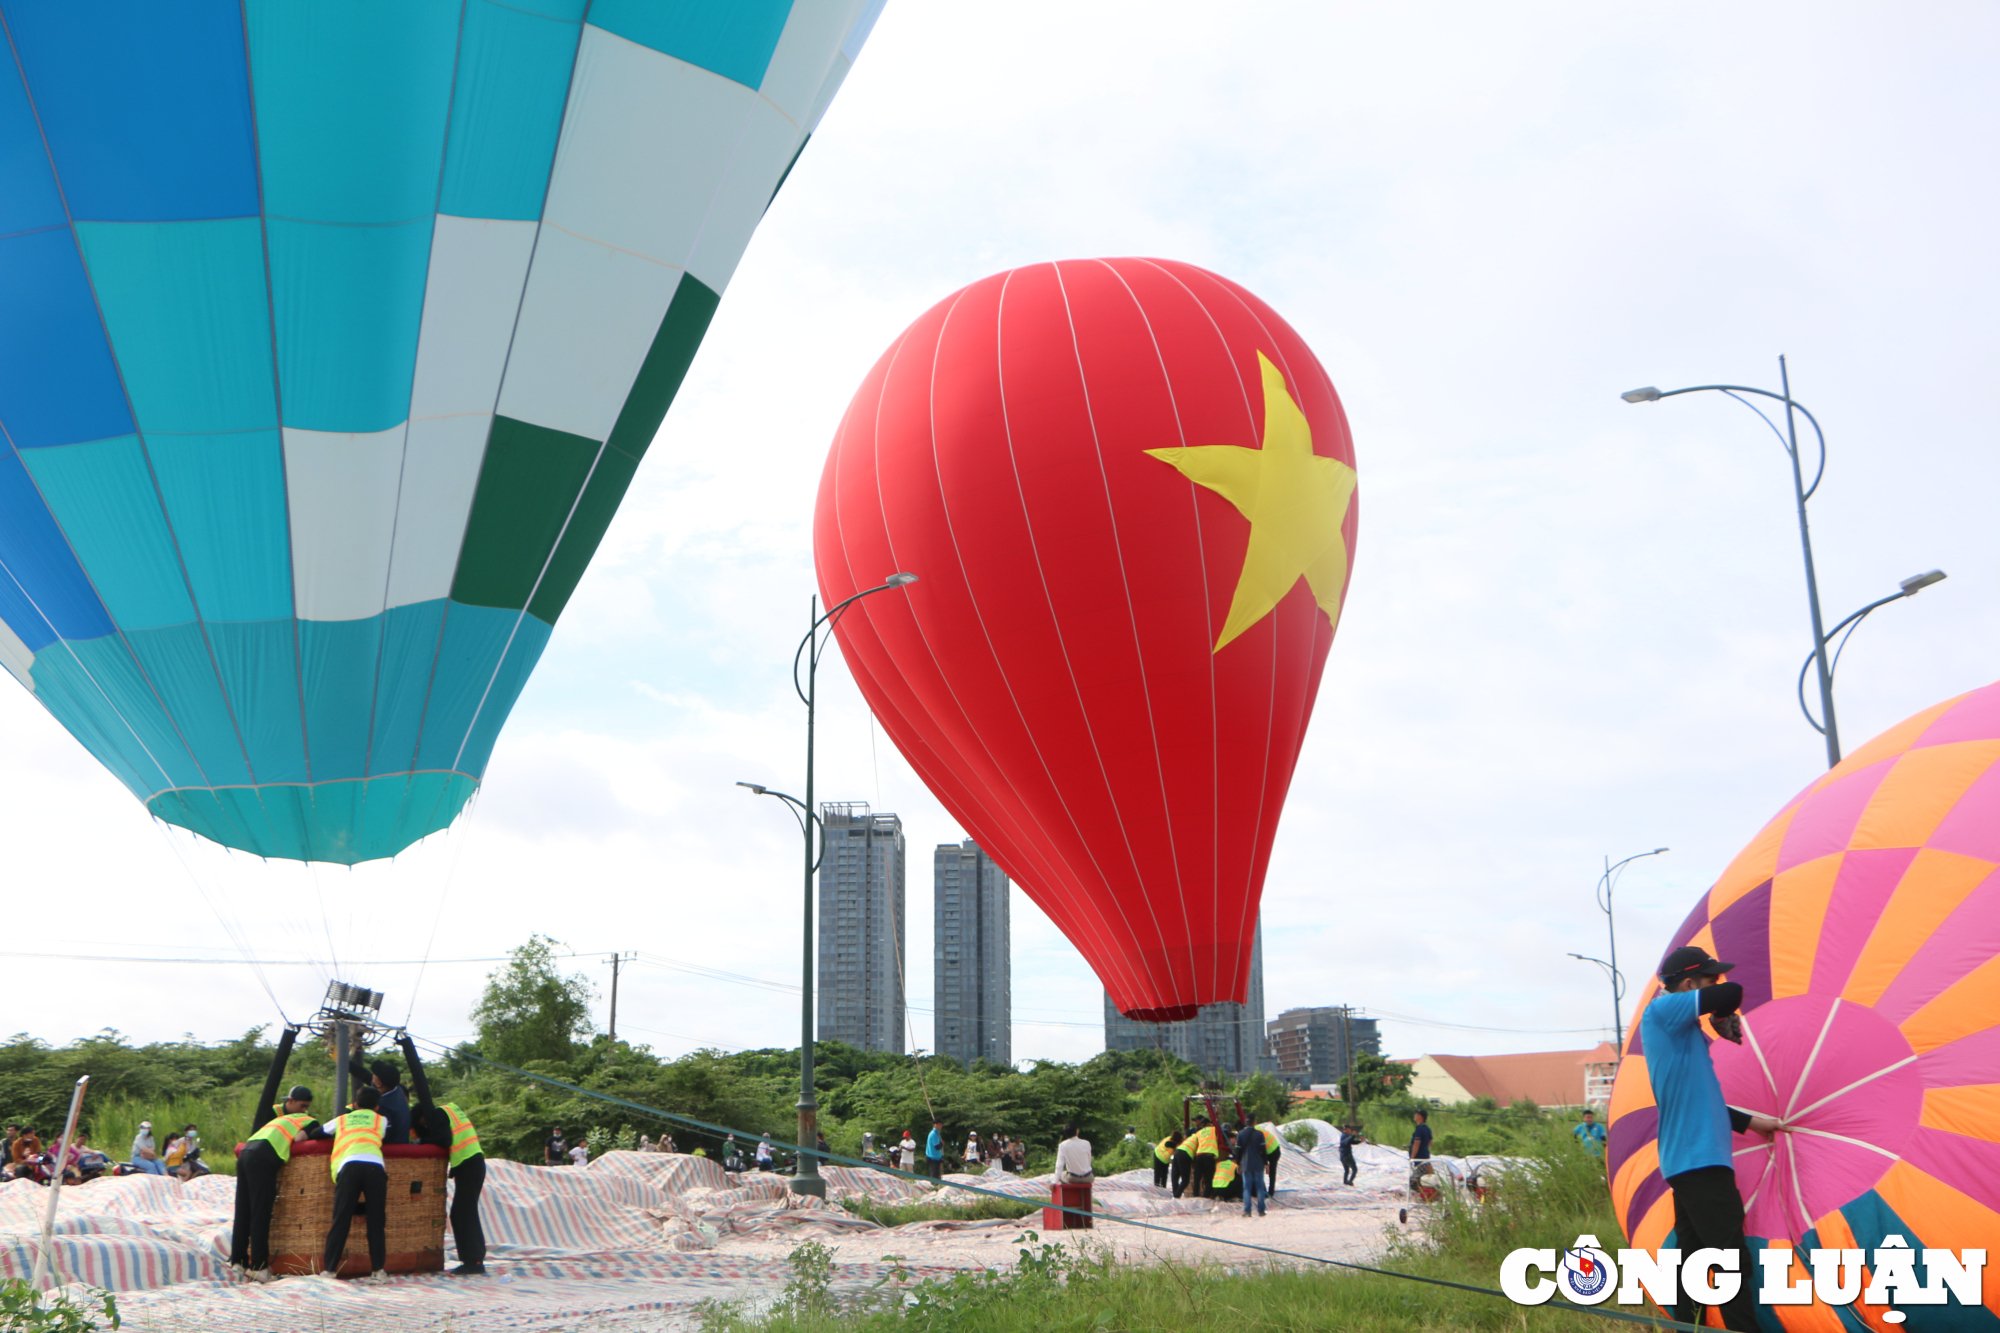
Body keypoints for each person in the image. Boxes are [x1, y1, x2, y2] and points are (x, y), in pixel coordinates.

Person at [1642, 945, 1782, 1333]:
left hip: (1687, 1160)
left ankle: (1688, 1326)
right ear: (1688, 985)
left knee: (1693, 1257)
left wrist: (1754, 1122)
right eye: (1709, 978)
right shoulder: (1663, 1011)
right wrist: (1722, 1014)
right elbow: (1731, 993)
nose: (1717, 982)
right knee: (1731, 1258)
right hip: (1700, 1162)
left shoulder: (1682, 1033)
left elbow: (1703, 1102)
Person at [230, 1086, 317, 1281]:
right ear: (291, 1101)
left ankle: (238, 1261)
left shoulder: (278, 1117)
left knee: (243, 1210)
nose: (304, 1110)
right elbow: (299, 1138)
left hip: (246, 1152)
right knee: (260, 1213)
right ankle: (259, 1266)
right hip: (263, 1159)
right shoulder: (309, 1121)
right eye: (303, 1106)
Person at [318, 1085, 388, 1282]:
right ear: (376, 1107)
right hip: (375, 1166)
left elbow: (318, 1132)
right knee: (376, 1220)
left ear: (355, 1104)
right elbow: (384, 1136)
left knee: (341, 1218)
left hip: (349, 1166)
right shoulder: (380, 1120)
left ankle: (330, 1270)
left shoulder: (342, 1120)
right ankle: (379, 1271)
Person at [435, 1102, 487, 1277]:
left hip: (470, 1166)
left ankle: (474, 1261)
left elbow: (444, 1140)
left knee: (462, 1213)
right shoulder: (453, 1110)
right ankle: (474, 1259)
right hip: (473, 1164)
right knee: (465, 1212)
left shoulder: (441, 1115)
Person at [1235, 1120, 1270, 1217]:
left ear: (1246, 1123)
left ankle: (1247, 1211)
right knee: (1259, 1188)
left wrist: (1238, 1164)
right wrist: (1266, 1164)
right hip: (1258, 1164)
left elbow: (1238, 1151)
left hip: (1246, 1164)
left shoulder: (1241, 1134)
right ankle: (1261, 1211)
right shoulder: (1259, 1134)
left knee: (1246, 1188)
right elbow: (1263, 1150)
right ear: (1254, 1122)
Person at [1186, 1116, 1220, 1198]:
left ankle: (1196, 1196)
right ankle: (1206, 1197)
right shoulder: (1213, 1129)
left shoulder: (1199, 1132)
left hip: (1199, 1156)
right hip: (1209, 1156)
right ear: (1209, 1124)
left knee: (1197, 1178)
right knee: (1209, 1179)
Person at [1407, 1109, 1434, 1196]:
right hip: (1426, 1158)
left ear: (1420, 1117)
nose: (1414, 1116)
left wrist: (1412, 1156)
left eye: (1416, 1114)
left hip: (1420, 1159)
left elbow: (1416, 1143)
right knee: (1427, 1178)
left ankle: (1427, 1196)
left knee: (1414, 1181)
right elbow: (1430, 1142)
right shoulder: (1427, 1128)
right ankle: (1429, 1195)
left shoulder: (1419, 1129)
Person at [1338, 1122, 1364, 1186]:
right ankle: (1350, 1181)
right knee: (1355, 1169)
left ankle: (1345, 1182)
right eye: (1349, 1130)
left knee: (1347, 1170)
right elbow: (1346, 1142)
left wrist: (1360, 1141)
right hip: (1347, 1156)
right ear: (1346, 1130)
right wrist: (1353, 1135)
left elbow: (1352, 1142)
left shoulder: (1345, 1136)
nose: (1350, 1131)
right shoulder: (1344, 1135)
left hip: (1343, 1157)